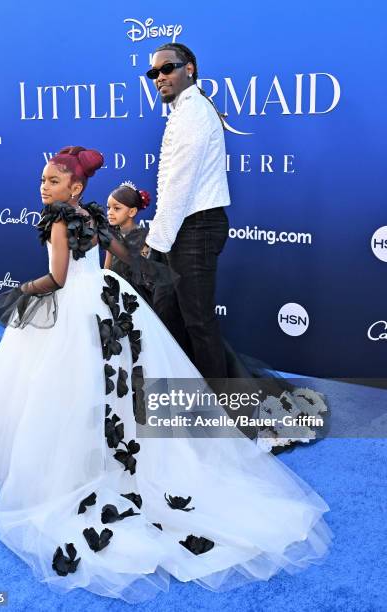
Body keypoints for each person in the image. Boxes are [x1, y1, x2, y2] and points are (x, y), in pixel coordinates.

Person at [0, 146, 332, 603]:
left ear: (74, 187)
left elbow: (56, 278)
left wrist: (20, 291)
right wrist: (127, 278)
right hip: (106, 300)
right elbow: (122, 254)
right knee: (110, 381)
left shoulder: (58, 222)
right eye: (42, 180)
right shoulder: (92, 217)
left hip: (75, 306)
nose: (43, 187)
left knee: (67, 384)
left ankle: (69, 464)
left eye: (52, 181)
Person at [143, 43, 231, 380]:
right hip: (182, 228)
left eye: (168, 68)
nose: (159, 77)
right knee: (171, 316)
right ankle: (185, 392)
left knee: (198, 321)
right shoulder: (183, 109)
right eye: (154, 73)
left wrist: (156, 242)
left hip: (196, 228)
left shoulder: (194, 112)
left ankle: (222, 409)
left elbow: (179, 184)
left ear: (189, 68)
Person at [104, 180, 153, 305]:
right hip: (114, 294)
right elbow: (107, 268)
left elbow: (144, 271)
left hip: (136, 297)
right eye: (108, 208)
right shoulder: (111, 235)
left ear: (132, 212)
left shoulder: (145, 237)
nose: (110, 212)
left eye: (116, 208)